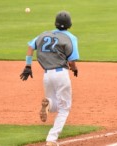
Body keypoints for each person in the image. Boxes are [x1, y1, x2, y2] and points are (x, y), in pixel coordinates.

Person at [20, 11, 79, 146]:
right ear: (69, 24)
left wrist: (28, 66)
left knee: (54, 105)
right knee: (64, 108)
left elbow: (30, 46)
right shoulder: (71, 38)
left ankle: (48, 103)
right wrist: (75, 69)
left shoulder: (44, 35)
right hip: (61, 74)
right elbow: (71, 61)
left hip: (47, 75)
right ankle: (52, 139)